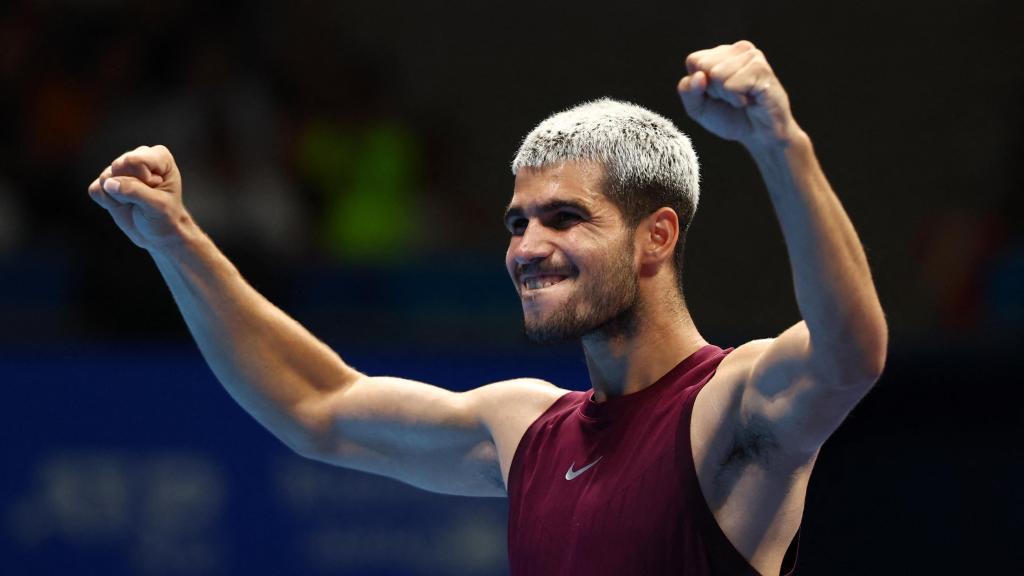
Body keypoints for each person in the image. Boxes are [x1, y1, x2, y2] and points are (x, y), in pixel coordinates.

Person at [87, 40, 886, 575]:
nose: (526, 248)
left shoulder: (728, 407)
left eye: (565, 218)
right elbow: (316, 404)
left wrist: (782, 143)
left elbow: (849, 352)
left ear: (656, 238)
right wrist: (176, 240)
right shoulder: (526, 429)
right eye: (517, 222)